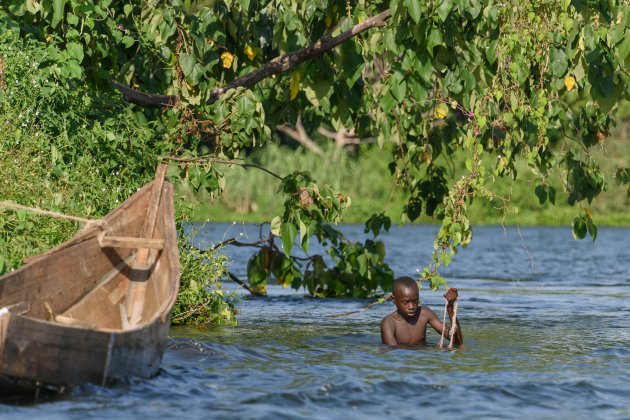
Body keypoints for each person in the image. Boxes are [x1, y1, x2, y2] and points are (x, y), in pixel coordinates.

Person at [380, 276, 463, 347]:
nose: (411, 307)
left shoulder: (424, 314)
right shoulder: (388, 323)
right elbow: (392, 353)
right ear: (394, 300)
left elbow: (457, 342)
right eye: (406, 302)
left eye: (415, 301)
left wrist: (450, 308)